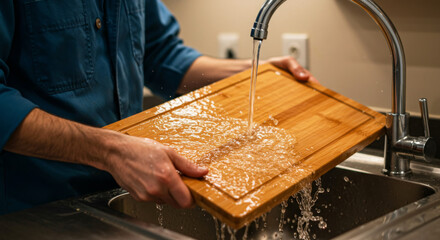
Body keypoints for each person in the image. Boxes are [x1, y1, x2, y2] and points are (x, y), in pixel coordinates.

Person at [0, 0, 316, 214]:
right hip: (32, 211)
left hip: (121, 199)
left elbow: (161, 55)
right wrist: (110, 151)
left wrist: (252, 74)